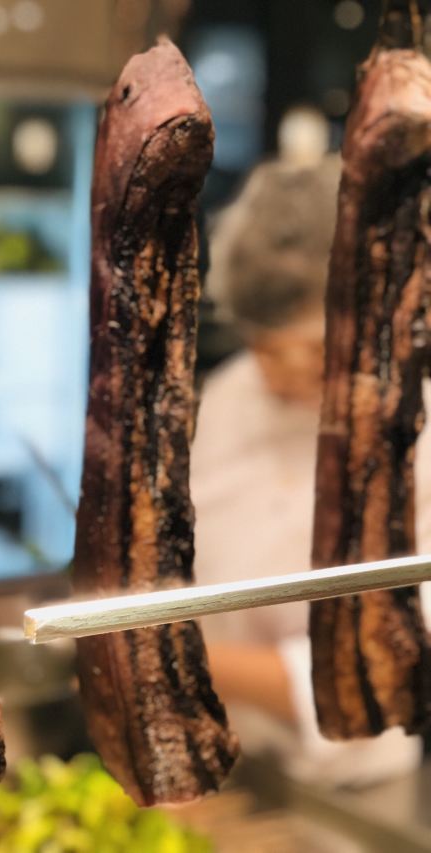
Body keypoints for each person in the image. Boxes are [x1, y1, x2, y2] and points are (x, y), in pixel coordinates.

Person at [192, 152, 431, 787]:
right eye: (266, 349)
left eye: (317, 351)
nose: (283, 374)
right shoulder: (228, 396)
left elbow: (393, 659)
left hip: (359, 779)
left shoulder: (419, 430)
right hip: (230, 767)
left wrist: (179, 661)